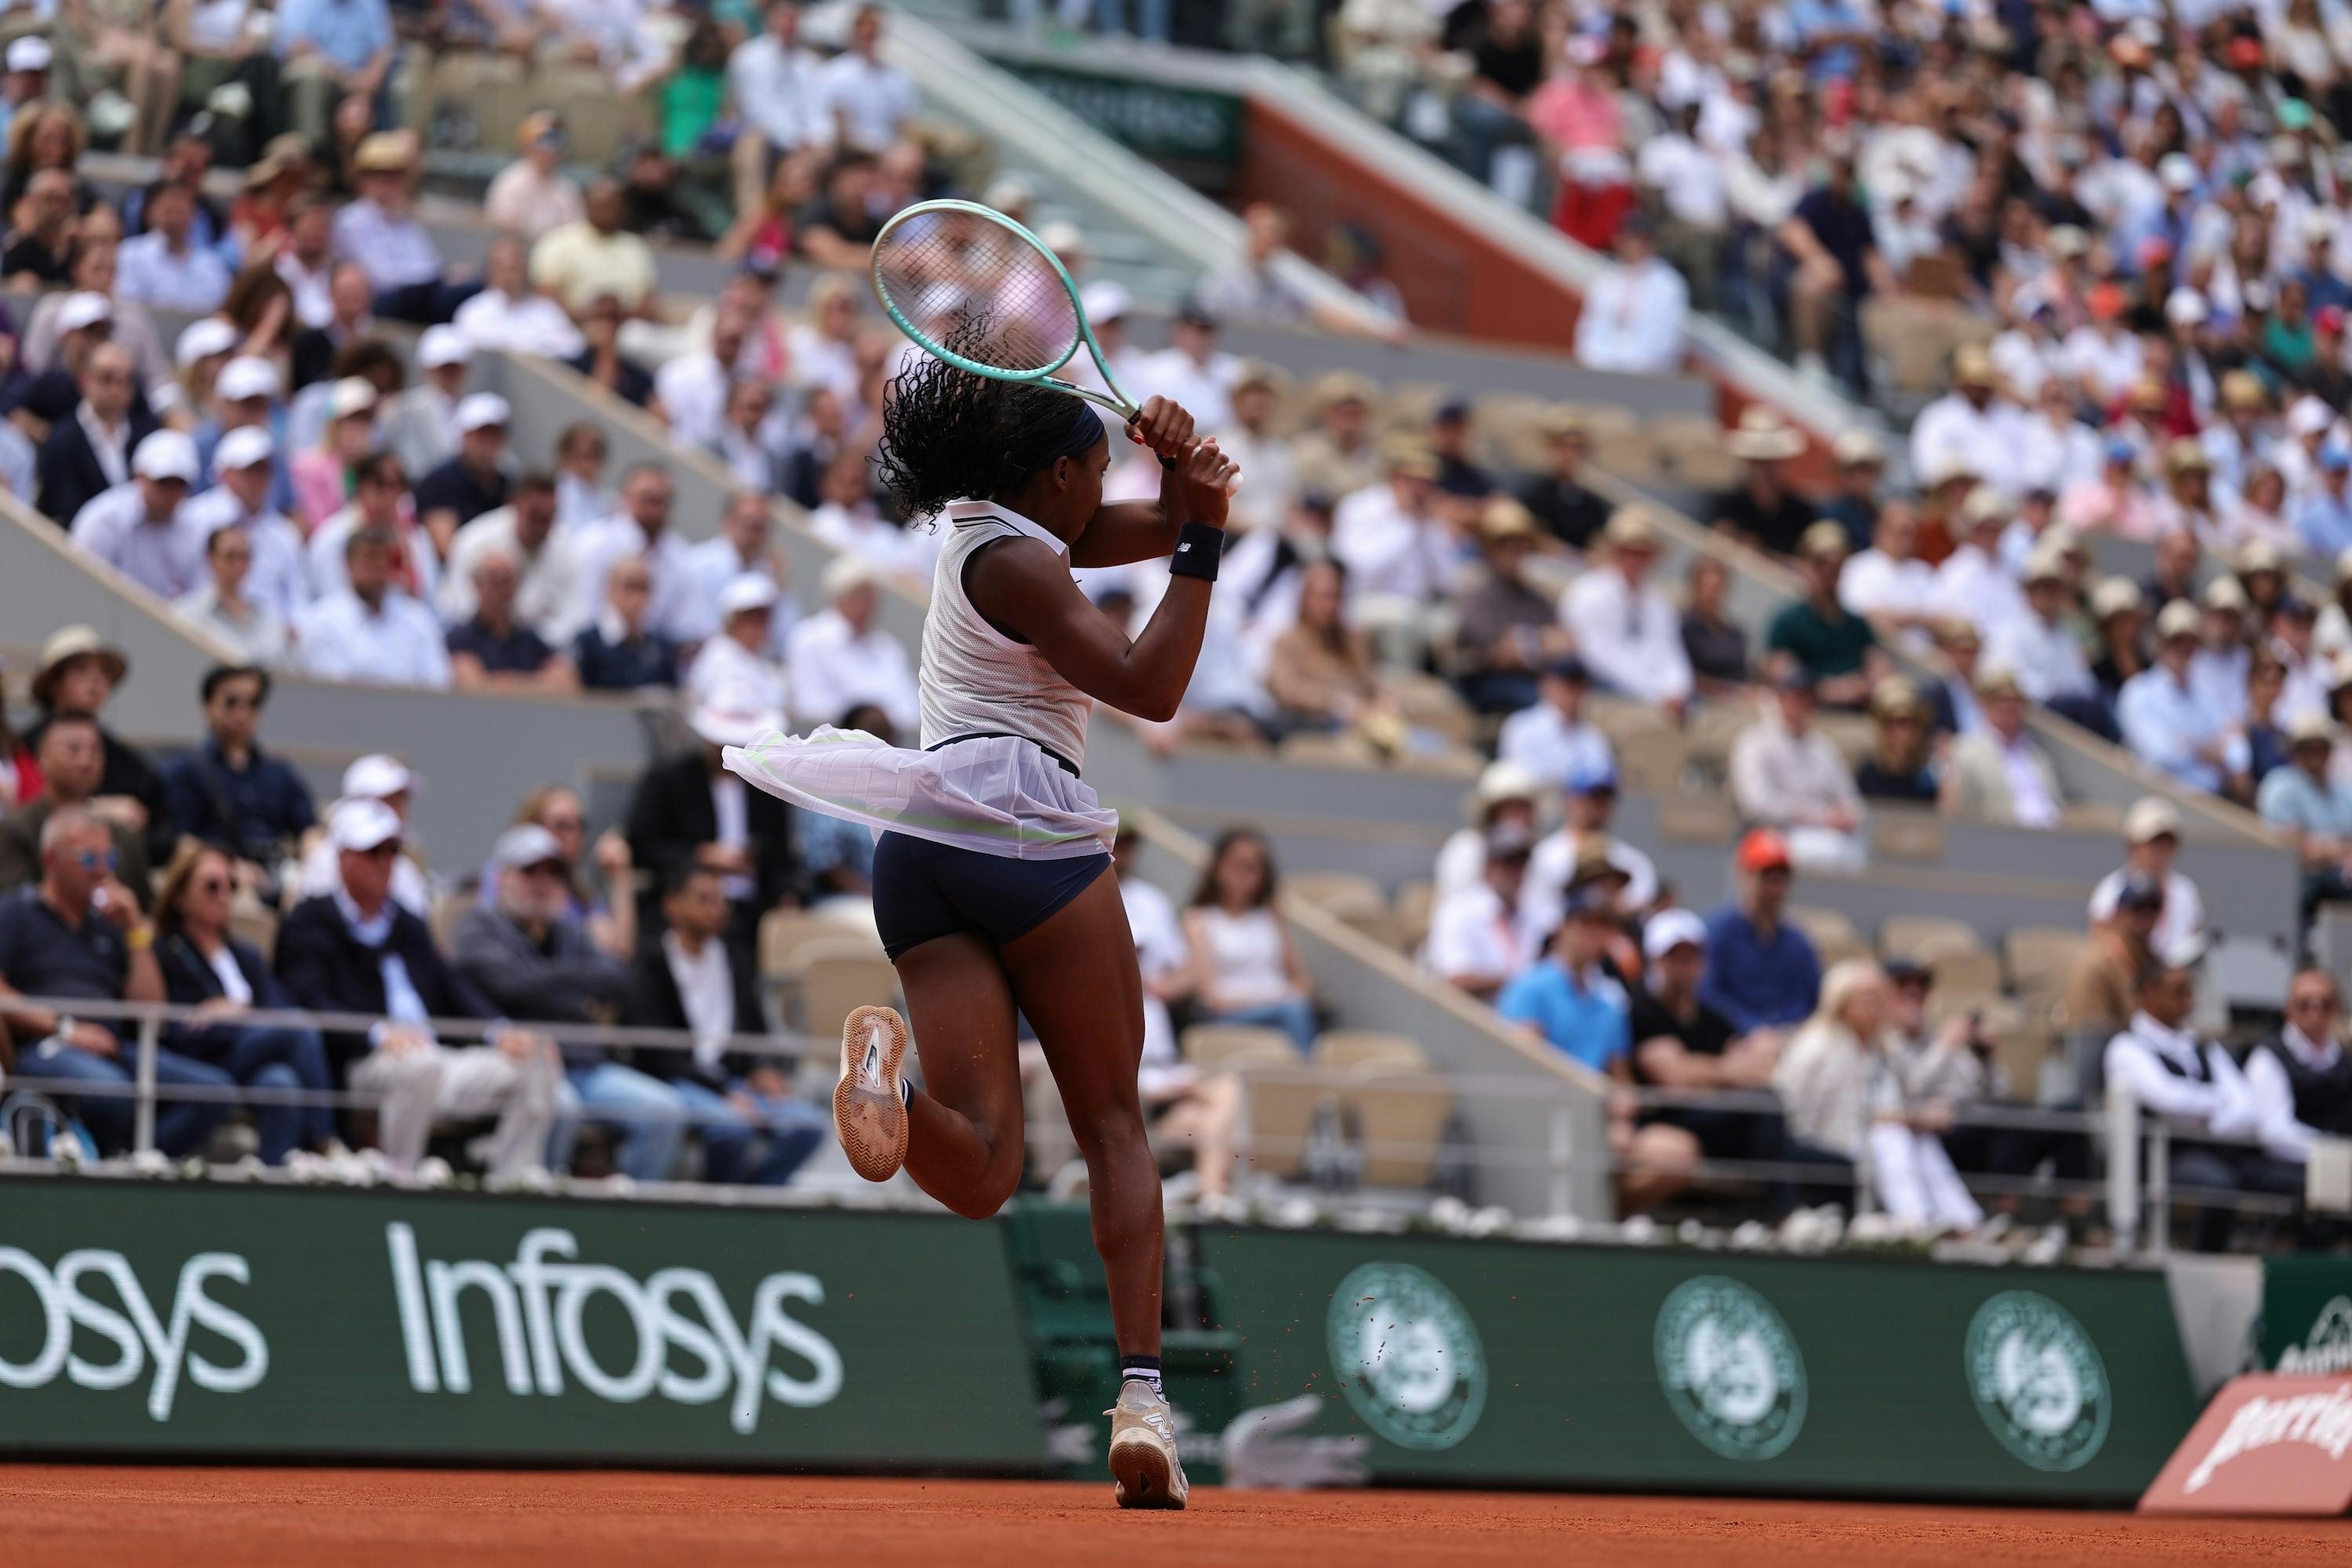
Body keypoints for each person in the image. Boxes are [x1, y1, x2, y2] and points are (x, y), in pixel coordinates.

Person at [718, 358, 1240, 1511]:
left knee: (982, 1172)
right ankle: (1144, 1400)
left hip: (921, 854)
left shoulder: (991, 527)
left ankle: (892, 1092)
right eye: (1091, 479)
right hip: (1030, 843)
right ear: (1053, 477)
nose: (1099, 501)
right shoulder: (1022, 564)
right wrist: (1200, 546)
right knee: (1112, 1123)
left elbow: (1132, 526)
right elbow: (1151, 687)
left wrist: (1185, 491)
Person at [274, 798, 561, 1179]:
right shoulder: (309, 922)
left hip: (433, 1057)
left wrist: (499, 1031)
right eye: (372, 852)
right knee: (418, 1067)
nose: (385, 862)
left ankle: (508, 1190)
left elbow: (451, 986)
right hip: (364, 1064)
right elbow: (310, 1001)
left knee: (533, 1061)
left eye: (392, 851)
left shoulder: (406, 921)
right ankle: (401, 1186)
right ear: (344, 858)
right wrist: (377, 1034)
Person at [448, 824, 679, 1181]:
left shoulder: (570, 930)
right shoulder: (478, 925)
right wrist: (572, 981)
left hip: (586, 1065)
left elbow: (618, 979)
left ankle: (631, 1223)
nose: (542, 882)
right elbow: (512, 985)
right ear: (504, 875)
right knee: (563, 1109)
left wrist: (543, 980)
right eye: (530, 871)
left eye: (554, 872)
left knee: (665, 1112)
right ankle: (546, 1205)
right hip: (528, 1066)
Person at [0, 808, 233, 1156]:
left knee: (215, 1092)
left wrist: (136, 931)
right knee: (113, 1092)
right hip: (46, 1045)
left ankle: (134, 1162)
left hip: (113, 1047)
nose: (102, 869)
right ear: (51, 859)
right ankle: (110, 1164)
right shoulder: (15, 912)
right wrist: (66, 1028)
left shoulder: (113, 922)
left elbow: (151, 1010)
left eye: (109, 857)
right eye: (89, 858)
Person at [624, 862, 829, 1185]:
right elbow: (656, 1053)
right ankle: (722, 1212)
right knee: (732, 1129)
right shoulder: (650, 961)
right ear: (672, 904)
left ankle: (754, 1207)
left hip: (735, 1081)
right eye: (703, 899)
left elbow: (755, 1027)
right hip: (677, 1082)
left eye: (720, 899)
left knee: (808, 1126)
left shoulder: (735, 956)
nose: (716, 908)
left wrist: (763, 1070)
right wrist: (721, 1093)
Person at [2103, 947, 2302, 1249]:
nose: (2189, 1000)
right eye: (2178, 992)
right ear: (2148, 995)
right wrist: (2219, 1104)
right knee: (2219, 1185)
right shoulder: (2126, 1047)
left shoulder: (2205, 1047)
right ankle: (2208, 1258)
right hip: (2164, 1158)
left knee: (2294, 1181)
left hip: (2223, 1152)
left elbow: (2248, 1107)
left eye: (2190, 991)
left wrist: (2209, 1120)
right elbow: (2168, 1100)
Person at [152, 843, 335, 1165]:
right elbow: (180, 1032)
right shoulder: (167, 953)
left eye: (231, 885)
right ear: (180, 896)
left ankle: (275, 1183)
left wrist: (236, 1014)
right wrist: (232, 1022)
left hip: (249, 1055)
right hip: (202, 1061)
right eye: (212, 886)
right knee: (298, 1029)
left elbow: (278, 1003)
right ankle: (325, 1143)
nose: (224, 894)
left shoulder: (244, 955)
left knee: (281, 1082)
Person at [1775, 959, 1983, 1232]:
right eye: (1869, 999)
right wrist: (1901, 1119)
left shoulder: (1878, 1046)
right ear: (1842, 1001)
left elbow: (1899, 1096)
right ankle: (1914, 1226)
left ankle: (1965, 1222)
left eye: (1880, 999)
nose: (1878, 1007)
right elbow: (1798, 1113)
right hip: (1821, 1140)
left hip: (1861, 1136)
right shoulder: (1817, 1045)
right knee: (1891, 1138)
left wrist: (1914, 1118)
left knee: (1921, 1139)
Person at [1619, 909, 1788, 1213]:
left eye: (1692, 956)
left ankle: (1774, 1212)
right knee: (1765, 1105)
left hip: (1716, 1119)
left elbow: (1760, 1070)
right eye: (1674, 957)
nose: (1684, 966)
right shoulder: (1643, 1010)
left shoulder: (1713, 1017)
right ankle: (1774, 1215)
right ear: (1655, 961)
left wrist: (1703, 1071)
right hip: (1669, 1120)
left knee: (1826, 1161)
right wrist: (1727, 1071)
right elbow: (1675, 1077)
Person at [22, 627, 169, 862]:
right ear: (54, 683)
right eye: (81, 670)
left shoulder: (122, 756)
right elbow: (23, 803)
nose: (96, 680)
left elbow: (158, 820)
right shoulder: (23, 746)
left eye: (104, 672)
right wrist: (90, 809)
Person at [165, 664, 314, 895]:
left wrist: (311, 863)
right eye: (231, 702)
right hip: (223, 886)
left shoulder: (280, 772)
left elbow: (309, 830)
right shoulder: (186, 772)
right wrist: (232, 868)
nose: (243, 713)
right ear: (208, 707)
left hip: (278, 881)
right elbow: (183, 843)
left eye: (253, 703)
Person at [1182, 828, 1318, 1052]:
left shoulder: (1271, 918)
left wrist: (1286, 995)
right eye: (1236, 865)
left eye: (1253, 868)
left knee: (1297, 1010)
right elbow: (1210, 996)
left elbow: (1303, 980)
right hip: (1226, 1016)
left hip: (1278, 1007)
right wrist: (1274, 997)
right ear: (1218, 867)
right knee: (1294, 1012)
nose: (1243, 875)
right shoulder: (1198, 920)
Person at [0, 713, 153, 908]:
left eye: (96, 751)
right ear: (42, 758)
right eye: (73, 750)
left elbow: (146, 911)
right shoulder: (14, 831)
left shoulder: (124, 835)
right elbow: (15, 911)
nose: (86, 762)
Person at [1731, 670, 1866, 870]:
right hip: (1776, 834)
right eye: (1793, 697)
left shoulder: (1823, 748)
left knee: (1857, 853)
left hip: (1827, 837)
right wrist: (1821, 818)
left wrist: (1848, 816)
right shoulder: (1754, 742)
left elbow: (1852, 802)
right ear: (1778, 699)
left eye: (1806, 698)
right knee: (1824, 852)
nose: (1799, 705)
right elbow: (1757, 804)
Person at [1561, 506, 1693, 712]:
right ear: (1614, 552)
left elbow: (1672, 652)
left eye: (1642, 553)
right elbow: (1600, 659)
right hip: (1606, 691)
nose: (1635, 560)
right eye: (1629, 551)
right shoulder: (1588, 594)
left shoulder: (1658, 602)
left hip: (1657, 695)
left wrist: (1677, 690)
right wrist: (1657, 694)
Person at [293, 524, 451, 689]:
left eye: (385, 560)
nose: (378, 567)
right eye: (370, 558)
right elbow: (328, 689)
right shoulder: (321, 622)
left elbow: (436, 684)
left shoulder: (418, 619)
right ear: (348, 565)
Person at [1454, 497, 1573, 713]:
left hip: (1532, 681)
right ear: (1491, 549)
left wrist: (1527, 645)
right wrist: (1538, 644)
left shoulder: (1537, 598)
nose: (1515, 554)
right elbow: (1500, 653)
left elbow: (1563, 643)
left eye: (1520, 547)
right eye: (1507, 546)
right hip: (1485, 683)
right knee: (1542, 702)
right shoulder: (1478, 593)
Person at [1496, 882, 1631, 1073]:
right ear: (1564, 928)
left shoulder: (1611, 1001)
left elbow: (1620, 1075)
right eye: (1585, 923)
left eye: (1603, 926)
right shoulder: (1529, 986)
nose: (1594, 934)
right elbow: (1523, 1065)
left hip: (1592, 1101)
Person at [2120, 600, 2248, 797]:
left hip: (2212, 800)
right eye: (2176, 641)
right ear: (2160, 644)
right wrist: (2207, 750)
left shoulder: (2205, 694)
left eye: (2191, 642)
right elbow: (2161, 754)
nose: (2184, 649)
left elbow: (2238, 747)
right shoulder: (2138, 693)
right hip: (2163, 798)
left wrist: (2191, 746)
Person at [1700, 829, 1821, 1035]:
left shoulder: (1798, 942)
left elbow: (1814, 1000)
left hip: (1792, 1042)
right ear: (1744, 875)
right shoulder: (1715, 933)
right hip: (1732, 1042)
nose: (1774, 889)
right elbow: (1707, 996)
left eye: (1780, 879)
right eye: (1766, 877)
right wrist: (1752, 1029)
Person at [784, 554, 919, 733]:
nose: (868, 606)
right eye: (860, 596)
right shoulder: (808, 639)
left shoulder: (887, 647)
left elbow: (912, 710)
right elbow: (811, 706)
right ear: (839, 596)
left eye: (871, 598)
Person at [67, 428, 204, 600]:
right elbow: (79, 584)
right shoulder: (103, 520)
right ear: (139, 476)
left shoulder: (193, 529)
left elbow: (197, 594)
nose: (170, 493)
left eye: (179, 485)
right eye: (163, 483)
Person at [437, 474, 577, 640]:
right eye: (536, 517)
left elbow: (571, 616)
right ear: (515, 505)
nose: (542, 527)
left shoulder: (565, 547)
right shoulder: (474, 541)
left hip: (538, 647)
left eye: (549, 518)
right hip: (477, 641)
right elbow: (457, 604)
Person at [36, 339, 157, 527]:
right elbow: (64, 509)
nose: (117, 389)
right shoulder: (61, 441)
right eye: (107, 378)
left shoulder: (147, 436)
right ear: (85, 380)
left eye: (126, 380)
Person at [1766, 522, 1882, 708]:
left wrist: (1859, 686)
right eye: (1821, 565)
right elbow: (1779, 670)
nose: (1829, 573)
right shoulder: (1789, 621)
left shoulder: (1856, 623)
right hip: (1809, 714)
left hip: (1854, 716)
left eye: (1836, 567)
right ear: (1807, 567)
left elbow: (1879, 670)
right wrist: (1821, 688)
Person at [2245, 967, 2352, 1166]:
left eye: (2325, 1005)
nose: (2315, 1013)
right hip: (2293, 1168)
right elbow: (2275, 1134)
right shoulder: (2268, 1058)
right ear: (2289, 1010)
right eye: (2304, 1005)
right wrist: (2332, 1151)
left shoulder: (2345, 1053)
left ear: (2336, 1009)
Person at [1422, 821, 1534, 1001]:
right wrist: (1523, 983)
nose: (1515, 873)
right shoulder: (1458, 911)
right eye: (1508, 865)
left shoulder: (1533, 915)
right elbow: (1456, 980)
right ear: (1488, 868)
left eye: (1520, 865)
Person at [1940, 667, 2063, 829]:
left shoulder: (2037, 754)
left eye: (2014, 701)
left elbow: (2056, 805)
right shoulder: (1965, 752)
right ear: (1985, 704)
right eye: (1999, 700)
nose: (2008, 706)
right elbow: (1953, 815)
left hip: (2052, 840)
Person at [2256, 713, 2352, 922]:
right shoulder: (2280, 785)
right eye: (2308, 747)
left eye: (2321, 746)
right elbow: (2297, 849)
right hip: (2298, 884)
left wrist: (2327, 849)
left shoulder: (2343, 789)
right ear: (2295, 751)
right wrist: (2343, 848)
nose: (2316, 753)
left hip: (2341, 880)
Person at [2087, 797, 2207, 960]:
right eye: (2153, 843)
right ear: (2133, 845)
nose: (2160, 852)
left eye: (2167, 844)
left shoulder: (2186, 892)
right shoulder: (2110, 890)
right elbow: (2101, 946)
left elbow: (2194, 941)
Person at [448, 549, 575, 694]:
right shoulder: (460, 639)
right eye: (494, 581)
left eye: (508, 581)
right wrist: (536, 683)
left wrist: (500, 682)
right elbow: (471, 686)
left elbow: (565, 681)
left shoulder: (529, 639)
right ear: (477, 585)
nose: (502, 591)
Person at [1572, 215, 1686, 375]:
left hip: (1649, 378)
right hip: (1602, 373)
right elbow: (1591, 330)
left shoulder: (1668, 285)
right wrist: (1600, 361)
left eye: (1642, 240)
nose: (1636, 246)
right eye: (1631, 239)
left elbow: (1661, 341)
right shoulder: (1607, 281)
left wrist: (1624, 363)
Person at [1497, 653, 1613, 790]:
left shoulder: (1592, 736)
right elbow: (1518, 784)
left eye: (1580, 685)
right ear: (1545, 684)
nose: (1575, 692)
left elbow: (1603, 784)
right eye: (1567, 684)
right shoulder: (1521, 727)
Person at [1712, 409, 1816, 556]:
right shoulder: (1728, 506)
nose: (1765, 469)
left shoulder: (1800, 511)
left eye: (1772, 461)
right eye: (1758, 461)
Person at [573, 556, 681, 692]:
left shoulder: (660, 648)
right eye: (630, 587)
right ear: (610, 590)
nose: (637, 598)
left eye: (644, 589)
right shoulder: (587, 644)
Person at [686, 572, 788, 712]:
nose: (759, 627)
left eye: (763, 619)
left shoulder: (765, 665)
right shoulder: (719, 655)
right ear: (734, 621)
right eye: (752, 619)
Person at [1854, 677, 1938, 804]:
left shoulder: (1928, 774)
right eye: (1898, 724)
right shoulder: (1869, 773)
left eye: (1912, 724)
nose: (1905, 733)